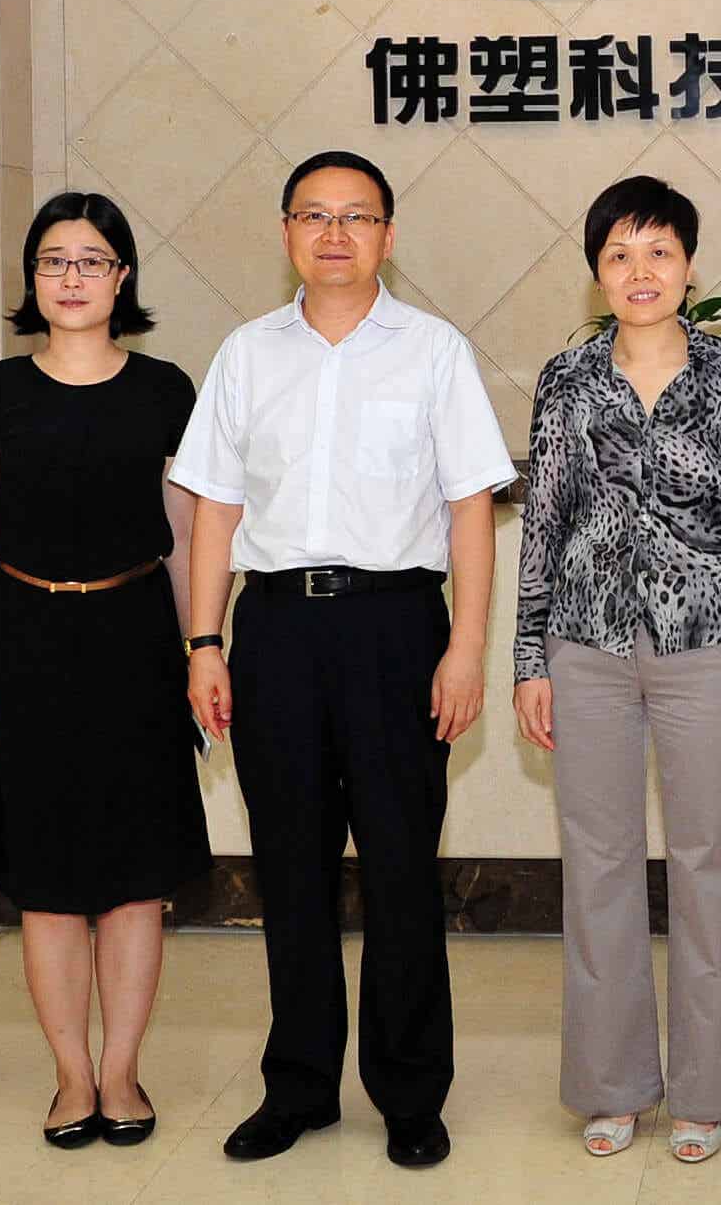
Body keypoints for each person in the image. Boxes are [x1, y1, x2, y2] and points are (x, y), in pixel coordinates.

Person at [169, 150, 516, 1169]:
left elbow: (470, 510)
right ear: (286, 232)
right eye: (314, 215)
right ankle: (300, 1085)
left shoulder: (434, 351)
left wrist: (465, 647)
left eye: (356, 216)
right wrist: (205, 643)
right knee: (290, 868)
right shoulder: (246, 353)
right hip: (275, 630)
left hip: (396, 629)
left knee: (402, 868)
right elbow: (215, 511)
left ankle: (409, 1092)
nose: (334, 233)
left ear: (387, 237)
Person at [512, 175, 721, 1165]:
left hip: (705, 643)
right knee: (597, 862)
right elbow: (542, 522)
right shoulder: (566, 378)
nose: (641, 271)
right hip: (584, 645)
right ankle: (612, 1083)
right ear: (598, 271)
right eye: (620, 254)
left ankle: (707, 1089)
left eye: (660, 251)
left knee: (709, 861)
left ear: (689, 265)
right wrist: (529, 656)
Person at [0, 191, 210, 1149]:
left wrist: (202, 651)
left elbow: (187, 537)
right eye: (54, 261)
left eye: (92, 261)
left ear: (122, 277)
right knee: (48, 880)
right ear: (32, 278)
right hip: (24, 640)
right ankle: (71, 1076)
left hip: (136, 638)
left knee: (136, 879)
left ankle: (123, 1071)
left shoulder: (166, 389)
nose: (72, 278)